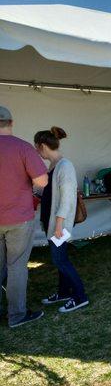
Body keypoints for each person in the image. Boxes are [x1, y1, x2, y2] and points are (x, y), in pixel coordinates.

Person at [0, 105, 48, 327]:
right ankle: (16, 315)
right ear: (11, 123)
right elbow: (42, 181)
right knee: (17, 266)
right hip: (19, 217)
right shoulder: (22, 147)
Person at [34, 127, 89, 312]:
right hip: (54, 222)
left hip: (60, 224)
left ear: (42, 146)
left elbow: (67, 198)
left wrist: (58, 224)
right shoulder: (53, 166)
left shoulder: (65, 166)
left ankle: (80, 296)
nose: (36, 152)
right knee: (61, 258)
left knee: (60, 261)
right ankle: (64, 291)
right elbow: (51, 193)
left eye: (36, 148)